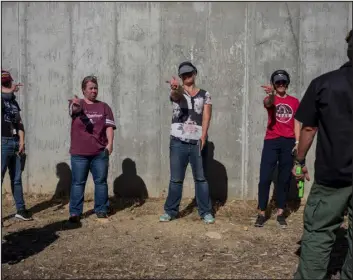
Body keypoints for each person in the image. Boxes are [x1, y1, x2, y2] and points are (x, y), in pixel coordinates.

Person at [292, 30, 352, 280]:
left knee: (319, 230)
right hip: (334, 175)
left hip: (333, 175)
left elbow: (308, 127)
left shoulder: (324, 83)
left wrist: (299, 160)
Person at [159, 61, 215, 224]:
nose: (187, 76)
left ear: (195, 73)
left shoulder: (205, 94)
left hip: (197, 142)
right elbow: (175, 96)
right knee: (176, 179)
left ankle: (205, 212)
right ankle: (171, 211)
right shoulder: (178, 92)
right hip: (178, 142)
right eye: (183, 75)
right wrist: (175, 89)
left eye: (189, 73)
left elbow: (206, 116)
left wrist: (203, 136)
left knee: (201, 178)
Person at [254, 70, 300, 228]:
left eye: (283, 82)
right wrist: (272, 94)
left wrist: (298, 142)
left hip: (288, 142)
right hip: (272, 141)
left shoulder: (294, 101)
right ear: (274, 84)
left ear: (287, 84)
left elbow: (296, 122)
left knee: (284, 178)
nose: (281, 85)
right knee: (265, 177)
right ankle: (261, 212)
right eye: (278, 82)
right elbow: (268, 104)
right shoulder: (270, 98)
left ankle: (281, 212)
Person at [68, 75, 116, 222]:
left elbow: (109, 126)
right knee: (78, 183)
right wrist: (75, 105)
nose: (94, 91)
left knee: (100, 182)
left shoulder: (104, 106)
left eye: (96, 88)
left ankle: (101, 209)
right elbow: (73, 110)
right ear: (84, 90)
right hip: (79, 154)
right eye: (91, 88)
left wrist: (110, 144)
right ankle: (75, 213)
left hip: (99, 153)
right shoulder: (79, 104)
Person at [1, 70, 32, 221]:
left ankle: (21, 209)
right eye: (5, 82)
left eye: (8, 81)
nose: (8, 84)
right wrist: (9, 90)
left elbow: (19, 123)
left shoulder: (13, 102)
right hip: (2, 142)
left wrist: (22, 141)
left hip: (14, 142)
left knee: (17, 179)